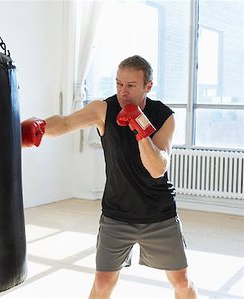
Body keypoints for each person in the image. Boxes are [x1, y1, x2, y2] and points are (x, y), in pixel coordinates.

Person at [21, 55, 198, 299]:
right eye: (118, 84)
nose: (122, 92)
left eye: (131, 86)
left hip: (158, 214)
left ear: (148, 86)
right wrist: (36, 128)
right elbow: (66, 123)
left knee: (181, 280)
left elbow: (157, 168)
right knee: (103, 283)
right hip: (117, 215)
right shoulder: (103, 109)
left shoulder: (164, 116)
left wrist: (140, 129)